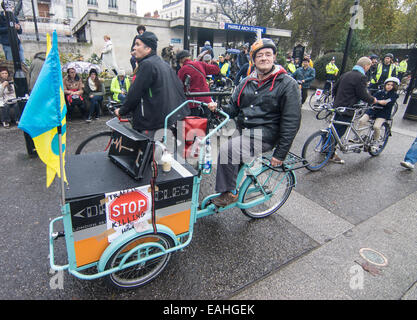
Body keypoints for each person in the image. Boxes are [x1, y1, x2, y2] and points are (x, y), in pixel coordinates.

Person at [207, 38, 301, 207]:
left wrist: (280, 153)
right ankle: (231, 186)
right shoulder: (246, 82)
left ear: (274, 57)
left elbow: (291, 121)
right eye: (259, 55)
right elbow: (232, 109)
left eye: (268, 54)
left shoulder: (287, 84)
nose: (264, 58)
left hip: (266, 135)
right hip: (245, 132)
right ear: (253, 59)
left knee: (228, 150)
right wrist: (216, 108)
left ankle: (230, 193)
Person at [114, 31, 189, 139]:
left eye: (137, 44)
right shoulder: (163, 63)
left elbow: (135, 93)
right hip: (166, 119)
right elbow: (178, 87)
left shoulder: (147, 64)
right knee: (160, 152)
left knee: (148, 153)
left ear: (148, 49)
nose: (134, 48)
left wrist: (121, 111)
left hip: (151, 122)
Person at [330, 57, 378, 164]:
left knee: (334, 128)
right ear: (366, 66)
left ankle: (326, 149)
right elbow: (362, 94)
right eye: (369, 66)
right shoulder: (361, 77)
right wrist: (372, 100)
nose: (369, 68)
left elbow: (335, 89)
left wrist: (337, 100)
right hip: (349, 107)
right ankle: (330, 153)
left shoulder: (346, 74)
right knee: (339, 131)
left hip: (338, 106)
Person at [177, 49, 220, 117]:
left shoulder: (182, 70)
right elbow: (216, 70)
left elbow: (178, 88)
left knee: (190, 126)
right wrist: (213, 61)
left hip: (192, 104)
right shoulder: (200, 64)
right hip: (207, 102)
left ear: (181, 61)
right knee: (205, 125)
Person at [358, 77, 399, 146]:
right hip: (373, 110)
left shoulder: (394, 95)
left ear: (394, 87)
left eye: (392, 85)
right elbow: (372, 98)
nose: (389, 86)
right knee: (361, 120)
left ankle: (375, 141)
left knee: (376, 127)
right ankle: (358, 137)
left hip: (383, 113)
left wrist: (376, 101)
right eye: (388, 84)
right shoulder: (379, 92)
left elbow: (385, 102)